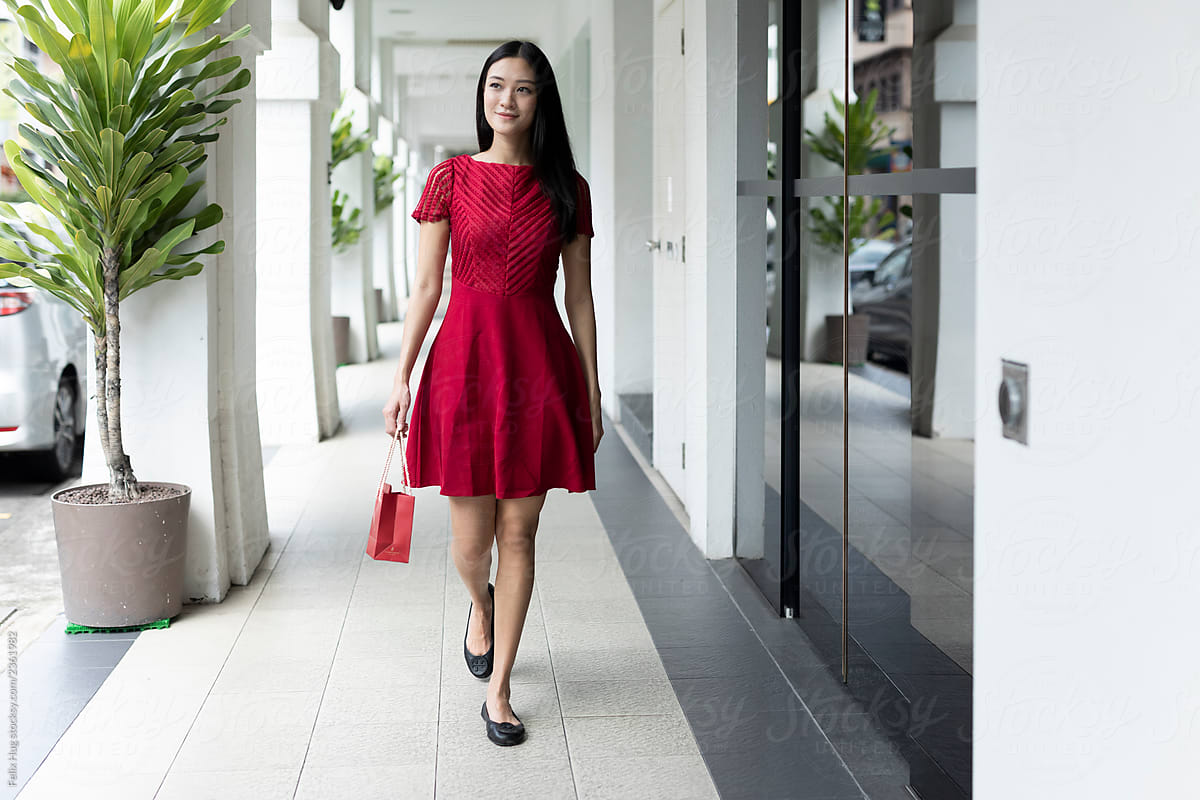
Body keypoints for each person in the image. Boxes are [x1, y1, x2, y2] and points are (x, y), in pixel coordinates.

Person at [382, 40, 602, 747]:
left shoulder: (568, 187)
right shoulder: (449, 178)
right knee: (470, 546)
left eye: (524, 89)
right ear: (483, 95)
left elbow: (581, 299)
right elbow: (425, 288)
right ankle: (480, 605)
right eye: (496, 86)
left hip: (540, 368)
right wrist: (402, 377)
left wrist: (592, 391)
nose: (506, 100)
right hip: (464, 368)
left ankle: (500, 690)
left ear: (543, 101)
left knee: (520, 533)